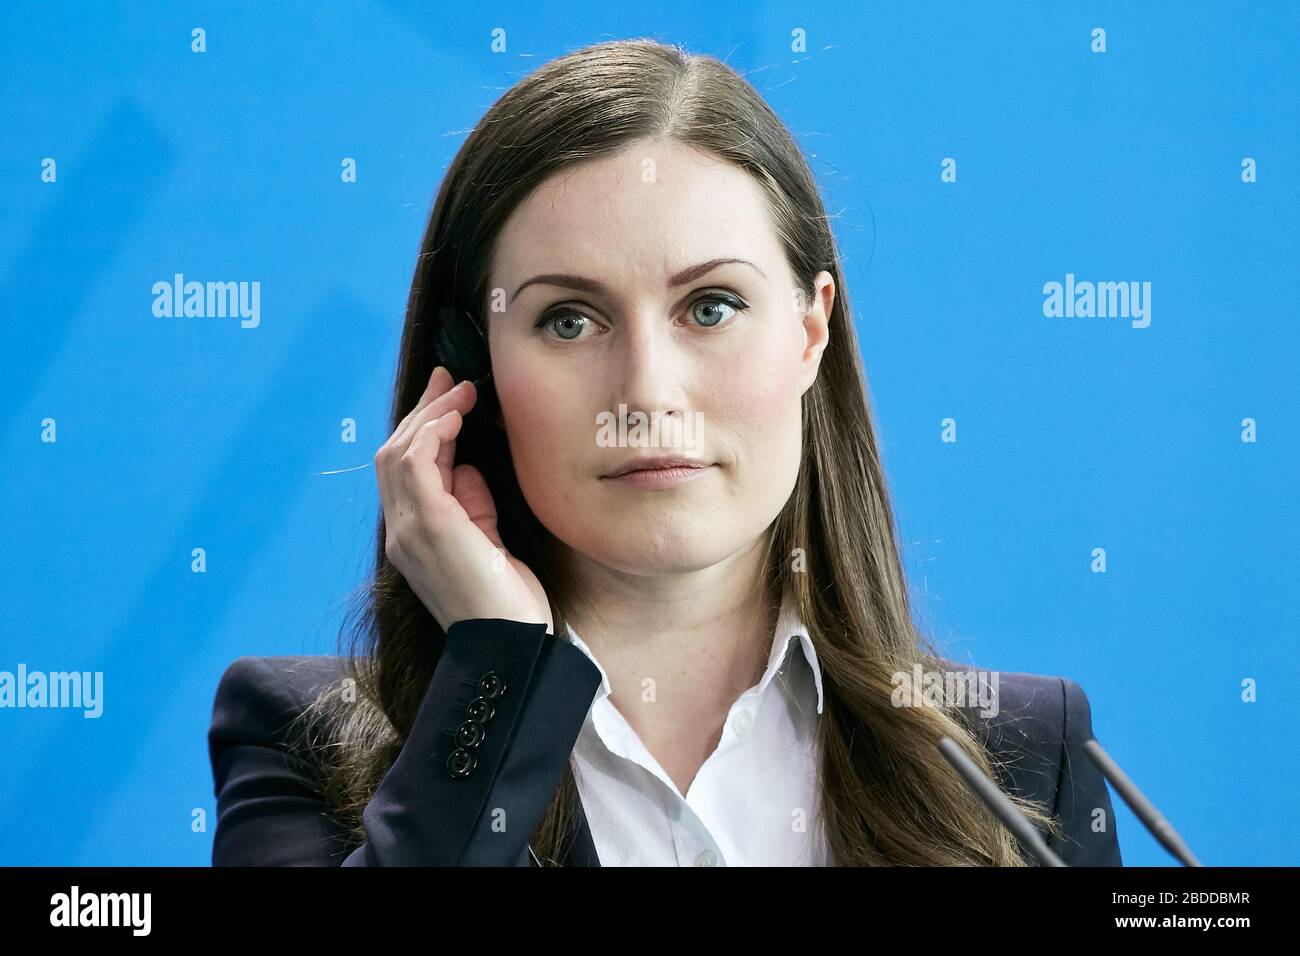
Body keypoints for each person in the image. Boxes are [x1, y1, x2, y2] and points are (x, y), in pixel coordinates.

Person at [208, 37, 1121, 867]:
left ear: (811, 333)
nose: (646, 393)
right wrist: (496, 671)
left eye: (711, 307)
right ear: (469, 370)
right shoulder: (303, 740)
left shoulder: (1027, 761)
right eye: (569, 319)